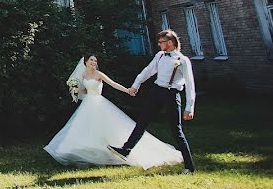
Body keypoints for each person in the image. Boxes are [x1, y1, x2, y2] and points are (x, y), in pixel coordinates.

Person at [44, 54, 183, 169]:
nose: (94, 62)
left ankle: (111, 152)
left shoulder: (99, 74)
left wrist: (128, 90)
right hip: (87, 104)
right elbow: (86, 90)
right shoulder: (83, 74)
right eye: (91, 60)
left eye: (95, 60)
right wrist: (76, 90)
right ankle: (86, 152)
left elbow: (113, 84)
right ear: (86, 62)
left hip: (98, 104)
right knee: (84, 128)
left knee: (105, 129)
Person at [108, 29, 196, 174]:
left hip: (172, 94)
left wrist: (190, 107)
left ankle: (189, 167)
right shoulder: (160, 56)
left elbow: (190, 84)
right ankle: (126, 150)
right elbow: (147, 71)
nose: (159, 44)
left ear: (170, 42)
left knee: (176, 130)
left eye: (161, 42)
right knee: (142, 121)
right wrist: (136, 85)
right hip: (156, 91)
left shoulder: (182, 60)